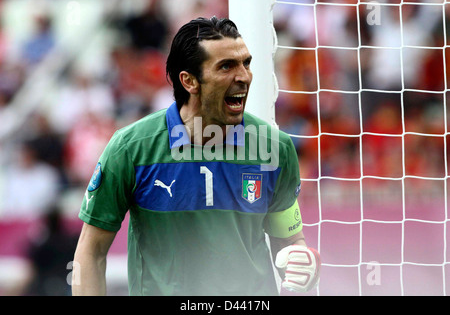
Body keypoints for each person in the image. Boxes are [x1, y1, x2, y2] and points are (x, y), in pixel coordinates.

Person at [72, 17, 320, 296]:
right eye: (227, 66)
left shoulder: (275, 147)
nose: (244, 76)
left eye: (246, 63)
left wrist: (302, 264)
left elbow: (289, 243)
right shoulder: (131, 149)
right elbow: (91, 252)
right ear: (189, 81)